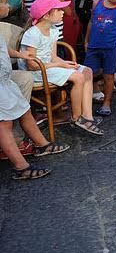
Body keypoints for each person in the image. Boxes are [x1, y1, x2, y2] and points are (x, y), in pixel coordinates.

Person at [20, 0, 102, 135]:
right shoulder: (32, 34)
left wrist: (65, 64)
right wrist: (59, 65)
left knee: (86, 71)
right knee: (78, 77)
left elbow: (53, 56)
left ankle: (87, 116)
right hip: (37, 72)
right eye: (58, 10)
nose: (63, 12)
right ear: (46, 15)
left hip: (49, 66)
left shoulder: (53, 30)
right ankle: (77, 117)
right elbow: (32, 65)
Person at [1, 33, 69, 180]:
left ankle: (42, 145)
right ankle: (21, 167)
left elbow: (2, 47)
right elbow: (5, 10)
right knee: (4, 123)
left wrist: (21, 55)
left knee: (25, 110)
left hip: (4, 80)